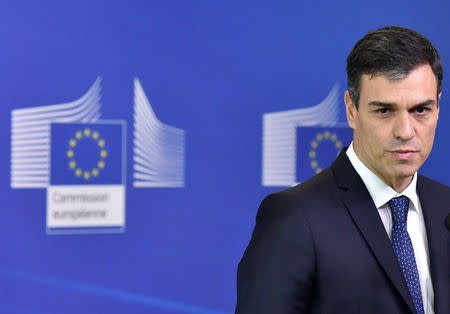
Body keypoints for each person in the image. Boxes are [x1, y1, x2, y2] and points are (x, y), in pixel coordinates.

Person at [235, 26, 449, 314]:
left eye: (420, 110)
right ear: (351, 109)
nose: (405, 131)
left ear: (438, 108)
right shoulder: (293, 218)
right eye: (384, 111)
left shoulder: (445, 206)